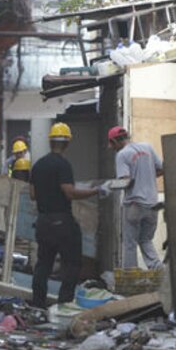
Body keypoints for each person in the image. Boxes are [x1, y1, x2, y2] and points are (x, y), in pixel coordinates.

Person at [29, 122, 107, 307]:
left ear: (50, 142)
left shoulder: (38, 165)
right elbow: (69, 192)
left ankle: (38, 304)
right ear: (67, 143)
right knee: (71, 264)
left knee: (43, 265)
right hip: (62, 222)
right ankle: (64, 304)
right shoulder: (63, 165)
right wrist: (96, 190)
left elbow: (33, 195)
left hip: (44, 222)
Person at [107, 126, 164, 269]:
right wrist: (147, 176)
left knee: (130, 243)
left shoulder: (122, 154)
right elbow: (162, 168)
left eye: (111, 144)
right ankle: (158, 270)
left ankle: (131, 278)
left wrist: (108, 185)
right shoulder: (147, 147)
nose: (111, 147)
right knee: (146, 240)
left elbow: (126, 181)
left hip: (134, 204)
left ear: (115, 140)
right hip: (152, 204)